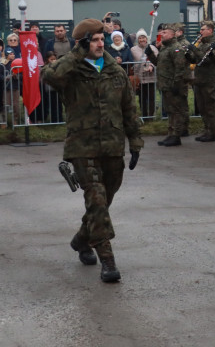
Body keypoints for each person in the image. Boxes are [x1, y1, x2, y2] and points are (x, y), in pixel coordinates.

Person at [42, 18, 143, 282]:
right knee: (96, 199)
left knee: (103, 203)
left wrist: (135, 142)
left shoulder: (114, 70)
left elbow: (129, 109)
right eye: (94, 40)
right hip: (82, 146)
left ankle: (81, 239)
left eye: (102, 39)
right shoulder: (72, 69)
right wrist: (77, 52)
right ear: (82, 42)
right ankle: (108, 260)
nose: (101, 44)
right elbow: (50, 76)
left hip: (112, 146)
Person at [146, 23, 190, 147]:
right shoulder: (165, 48)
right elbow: (158, 63)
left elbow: (180, 68)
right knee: (170, 110)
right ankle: (170, 134)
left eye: (165, 33)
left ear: (172, 34)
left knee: (176, 111)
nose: (161, 34)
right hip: (165, 84)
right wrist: (150, 55)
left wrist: (177, 84)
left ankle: (176, 135)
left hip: (172, 85)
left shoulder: (176, 48)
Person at [186, 21, 215, 142]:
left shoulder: (213, 44)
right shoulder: (201, 44)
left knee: (209, 107)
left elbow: (206, 60)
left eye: (203, 29)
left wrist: (194, 50)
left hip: (209, 80)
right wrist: (189, 54)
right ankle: (206, 130)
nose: (200, 32)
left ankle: (212, 132)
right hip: (199, 79)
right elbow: (196, 60)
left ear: (210, 31)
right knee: (201, 107)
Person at [129, 30, 157, 119]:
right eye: (140, 38)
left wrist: (151, 66)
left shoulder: (152, 48)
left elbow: (157, 59)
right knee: (142, 98)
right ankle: (144, 116)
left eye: (143, 37)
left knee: (151, 97)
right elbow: (131, 61)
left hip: (151, 77)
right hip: (140, 77)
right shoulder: (133, 49)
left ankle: (151, 116)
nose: (142, 40)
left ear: (146, 38)